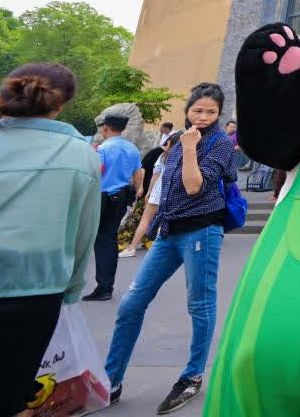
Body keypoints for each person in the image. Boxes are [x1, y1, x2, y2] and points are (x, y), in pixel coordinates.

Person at [0, 63, 102, 417]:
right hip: (36, 292)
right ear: (61, 105)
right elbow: (83, 232)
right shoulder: (82, 154)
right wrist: (71, 290)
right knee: (8, 396)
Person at [103, 83, 237, 413]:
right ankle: (111, 379)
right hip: (169, 233)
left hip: (202, 232)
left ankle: (192, 376)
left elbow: (193, 187)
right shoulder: (178, 142)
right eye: (198, 110)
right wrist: (151, 225)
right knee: (131, 304)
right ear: (187, 110)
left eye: (211, 112)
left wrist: (190, 148)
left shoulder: (219, 144)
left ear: (219, 114)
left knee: (200, 304)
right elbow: (166, 188)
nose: (203, 117)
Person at [83, 113, 143, 301]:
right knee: (109, 239)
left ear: (105, 128)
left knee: (100, 240)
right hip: (121, 198)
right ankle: (106, 286)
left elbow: (95, 172)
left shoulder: (102, 149)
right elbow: (138, 174)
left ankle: (102, 287)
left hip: (102, 198)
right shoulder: (132, 148)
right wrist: (137, 193)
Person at [120, 133, 175, 258]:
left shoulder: (163, 156)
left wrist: (149, 192)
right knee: (164, 222)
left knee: (145, 220)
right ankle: (160, 250)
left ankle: (132, 248)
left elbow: (155, 175)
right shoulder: (183, 156)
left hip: (157, 193)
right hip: (172, 194)